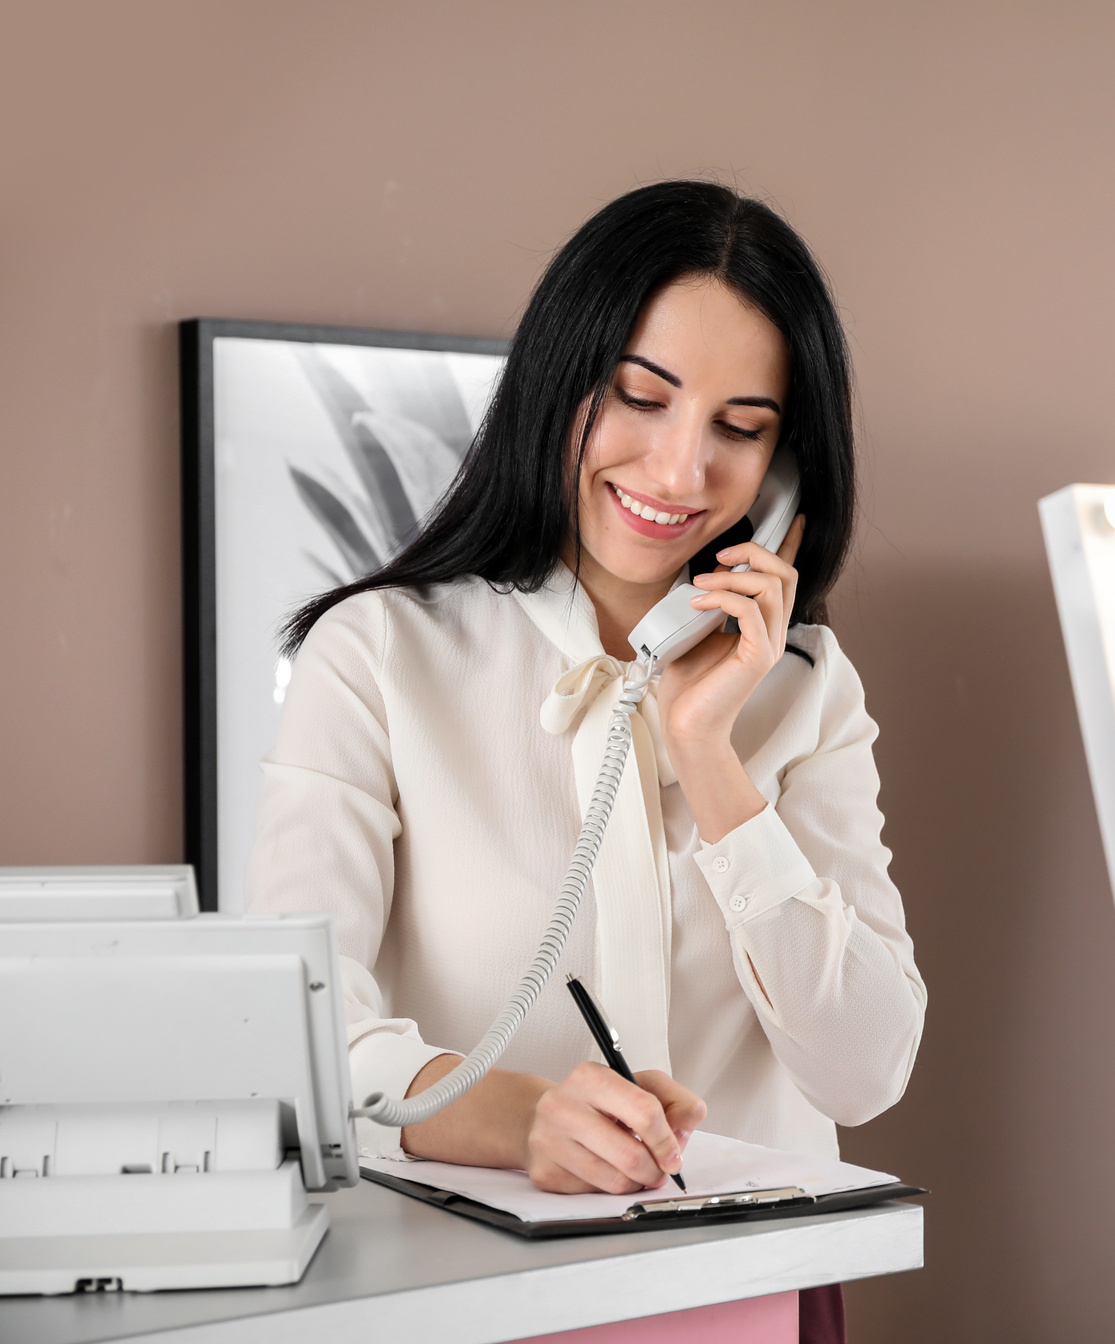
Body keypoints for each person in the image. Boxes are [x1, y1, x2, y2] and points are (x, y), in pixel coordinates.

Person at [247, 181, 924, 1344]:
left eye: (740, 426)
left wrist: (710, 756)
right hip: (470, 1293)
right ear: (563, 378)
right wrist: (516, 1118)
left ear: (786, 472)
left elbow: (864, 1072)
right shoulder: (380, 657)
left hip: (749, 1294)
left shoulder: (808, 691)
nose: (677, 470)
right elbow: (293, 1041)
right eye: (640, 398)